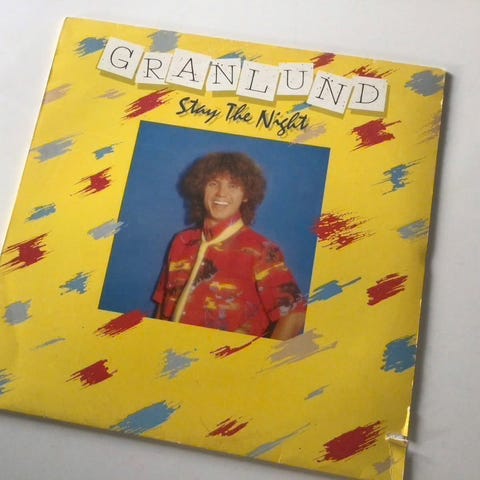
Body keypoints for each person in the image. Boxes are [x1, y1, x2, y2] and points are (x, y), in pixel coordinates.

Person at [153, 152, 306, 340]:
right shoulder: (182, 242)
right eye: (213, 183)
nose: (221, 193)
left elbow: (295, 314)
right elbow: (163, 305)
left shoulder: (261, 251)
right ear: (201, 189)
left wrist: (266, 358)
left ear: (246, 195)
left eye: (233, 186)